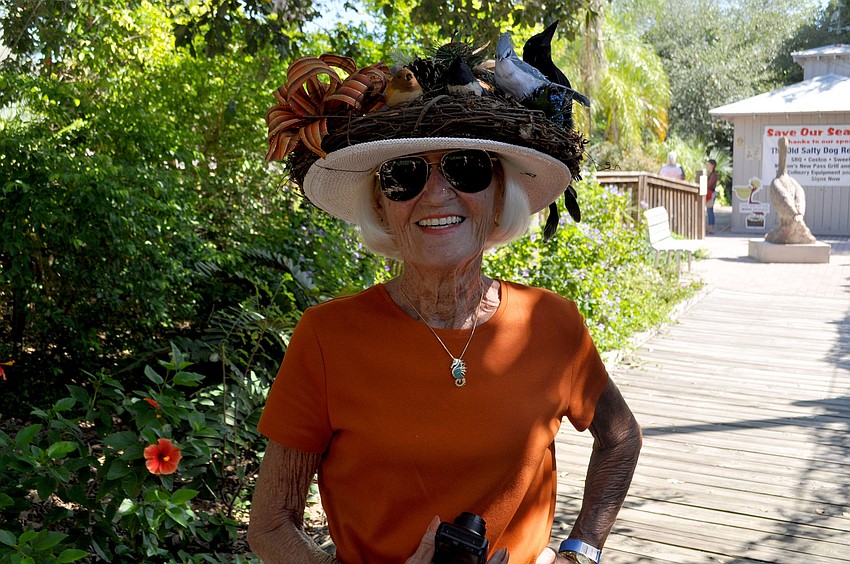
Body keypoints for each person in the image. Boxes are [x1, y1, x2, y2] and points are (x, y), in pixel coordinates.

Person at [248, 46, 642, 564]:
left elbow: (620, 437)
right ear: (381, 206)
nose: (436, 195)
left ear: (500, 195)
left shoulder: (552, 323)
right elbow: (271, 524)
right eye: (404, 175)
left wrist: (580, 551)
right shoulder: (328, 336)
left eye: (467, 168)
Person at [705, 159, 718, 234]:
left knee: (710, 211)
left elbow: (709, 184)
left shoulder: (714, 174)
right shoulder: (711, 174)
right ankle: (709, 227)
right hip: (709, 193)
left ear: (712, 165)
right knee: (709, 211)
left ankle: (711, 228)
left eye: (708, 164)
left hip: (711, 193)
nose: (707, 166)